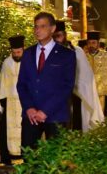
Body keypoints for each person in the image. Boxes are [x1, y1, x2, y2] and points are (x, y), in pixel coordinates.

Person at [17, 12, 76, 149]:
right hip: (31, 116)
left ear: (52, 28)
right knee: (29, 155)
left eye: (42, 26)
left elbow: (66, 87)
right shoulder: (28, 53)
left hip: (56, 115)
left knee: (56, 157)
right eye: (36, 26)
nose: (38, 30)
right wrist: (29, 108)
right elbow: (21, 84)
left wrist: (45, 111)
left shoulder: (66, 55)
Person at [53, 21, 103, 132]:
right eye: (53, 37)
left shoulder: (77, 51)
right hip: (54, 97)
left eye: (58, 36)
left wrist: (77, 86)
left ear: (64, 35)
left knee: (75, 124)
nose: (56, 40)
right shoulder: (47, 52)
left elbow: (86, 76)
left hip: (75, 94)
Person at [0, 35, 25, 164]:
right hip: (10, 102)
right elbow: (2, 82)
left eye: (19, 52)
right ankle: (10, 155)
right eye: (14, 52)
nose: (16, 55)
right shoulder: (6, 63)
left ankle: (24, 153)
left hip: (25, 101)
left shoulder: (28, 61)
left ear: (23, 49)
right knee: (9, 128)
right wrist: (2, 101)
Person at [86, 31, 107, 116]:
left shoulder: (106, 56)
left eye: (93, 43)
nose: (91, 45)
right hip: (88, 93)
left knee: (104, 116)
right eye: (89, 43)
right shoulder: (84, 56)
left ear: (98, 44)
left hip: (104, 93)